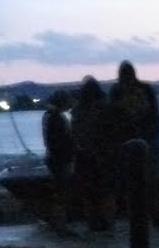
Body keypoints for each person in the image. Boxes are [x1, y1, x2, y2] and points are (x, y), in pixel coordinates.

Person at [110, 59, 159, 227]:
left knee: (131, 179)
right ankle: (156, 213)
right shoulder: (146, 89)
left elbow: (114, 116)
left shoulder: (116, 91)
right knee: (153, 178)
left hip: (127, 141)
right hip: (150, 138)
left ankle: (135, 215)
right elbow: (155, 114)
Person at [68, 76, 120, 231]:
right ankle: (108, 223)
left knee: (89, 193)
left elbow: (74, 134)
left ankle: (92, 223)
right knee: (107, 192)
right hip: (105, 155)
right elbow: (113, 132)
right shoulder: (107, 109)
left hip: (84, 156)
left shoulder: (77, 112)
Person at [39, 89, 76, 231]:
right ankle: (61, 225)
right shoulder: (56, 117)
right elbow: (61, 140)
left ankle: (58, 223)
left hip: (53, 158)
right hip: (60, 159)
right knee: (62, 192)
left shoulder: (48, 115)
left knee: (58, 191)